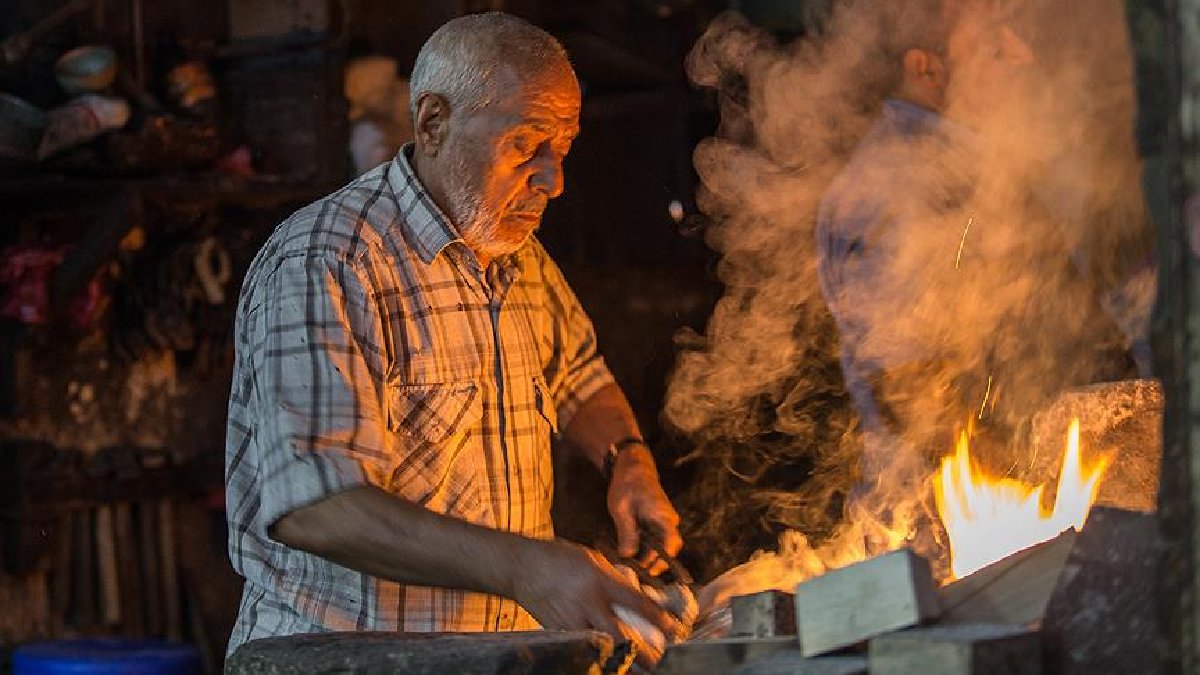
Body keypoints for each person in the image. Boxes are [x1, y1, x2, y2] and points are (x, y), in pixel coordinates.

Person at [224, 12, 683, 665]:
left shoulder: (516, 253)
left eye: (563, 149)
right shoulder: (328, 261)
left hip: (489, 659)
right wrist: (527, 568)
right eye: (527, 146)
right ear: (434, 123)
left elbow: (579, 375)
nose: (554, 180)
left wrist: (628, 461)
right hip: (349, 661)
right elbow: (317, 504)